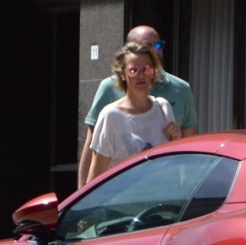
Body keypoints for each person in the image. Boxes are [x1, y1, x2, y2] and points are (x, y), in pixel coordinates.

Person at [81, 26, 194, 157]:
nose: (154, 51)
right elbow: (92, 148)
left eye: (158, 45)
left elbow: (188, 147)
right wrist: (85, 178)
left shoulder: (179, 92)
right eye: (147, 45)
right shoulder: (108, 92)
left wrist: (176, 141)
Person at [80, 45, 177, 183]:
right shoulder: (111, 116)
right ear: (122, 74)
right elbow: (95, 178)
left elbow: (174, 167)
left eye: (147, 69)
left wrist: (177, 141)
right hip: (123, 202)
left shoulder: (163, 107)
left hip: (162, 199)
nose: (141, 75)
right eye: (133, 70)